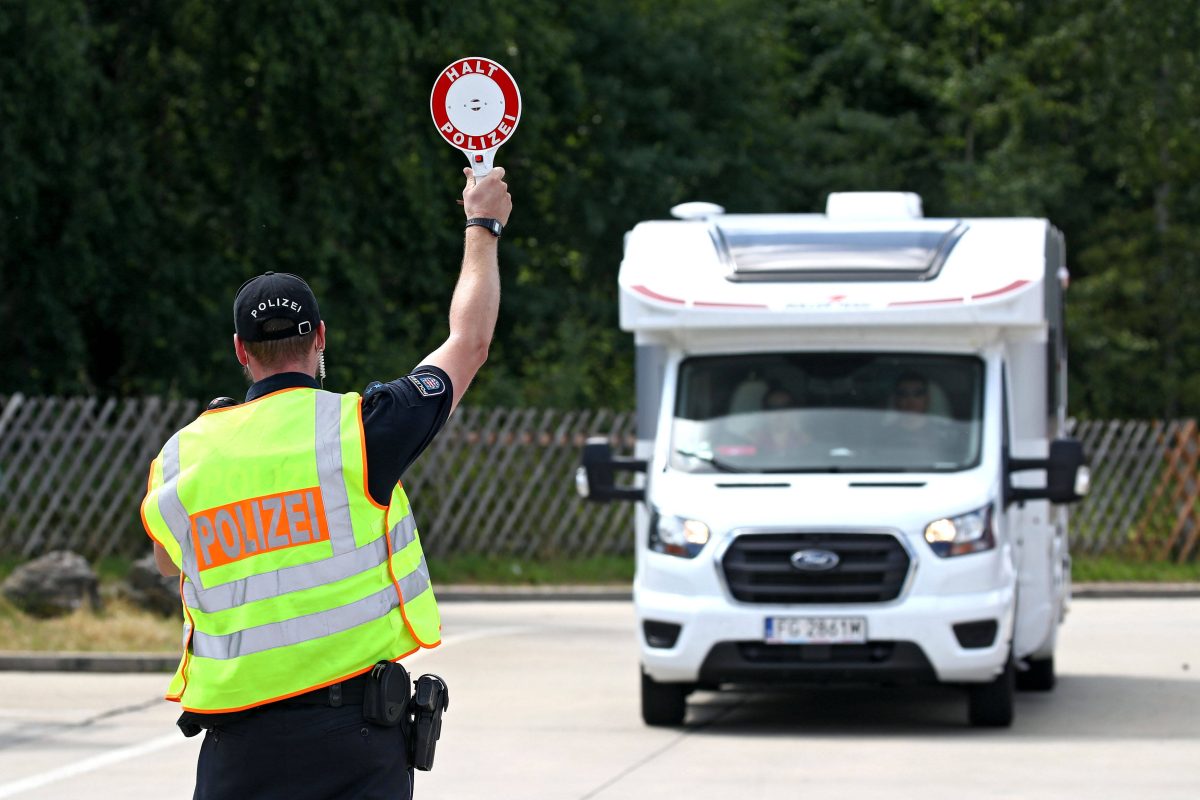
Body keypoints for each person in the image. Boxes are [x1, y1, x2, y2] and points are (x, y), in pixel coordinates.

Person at [139, 166, 512, 800]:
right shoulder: (362, 430)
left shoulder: (181, 458)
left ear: (240, 350)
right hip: (354, 743)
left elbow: (169, 563)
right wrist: (483, 226)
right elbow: (468, 343)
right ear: (319, 338)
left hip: (239, 751)